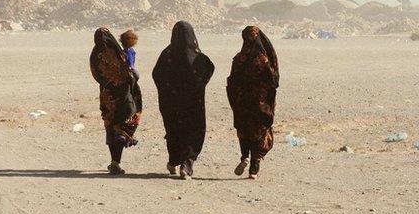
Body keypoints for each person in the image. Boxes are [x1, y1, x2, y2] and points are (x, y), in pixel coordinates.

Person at [152, 21, 215, 180]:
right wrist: (199, 86)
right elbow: (209, 68)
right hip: (192, 103)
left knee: (174, 130)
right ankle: (187, 165)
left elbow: (156, 74)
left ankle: (174, 161)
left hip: (171, 103)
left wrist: (167, 91)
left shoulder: (167, 55)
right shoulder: (196, 55)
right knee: (193, 129)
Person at [226, 26, 279, 179]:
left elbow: (232, 81)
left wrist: (236, 98)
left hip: (242, 103)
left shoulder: (238, 58)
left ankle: (244, 157)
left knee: (244, 130)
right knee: (259, 132)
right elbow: (273, 81)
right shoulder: (262, 59)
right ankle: (254, 169)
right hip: (259, 104)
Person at [90, 27, 142, 175]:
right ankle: (116, 161)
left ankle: (114, 162)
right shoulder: (119, 54)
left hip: (107, 97)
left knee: (111, 126)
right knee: (123, 123)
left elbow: (96, 73)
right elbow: (129, 73)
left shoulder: (96, 55)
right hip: (123, 96)